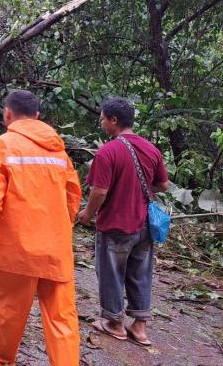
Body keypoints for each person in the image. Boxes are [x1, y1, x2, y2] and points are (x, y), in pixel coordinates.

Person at [0, 90, 82, 366]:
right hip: (56, 248)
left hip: (15, 247)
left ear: (7, 114)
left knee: (7, 309)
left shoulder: (0, 147)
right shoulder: (58, 151)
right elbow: (73, 196)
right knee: (61, 316)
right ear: (37, 116)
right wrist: (60, 228)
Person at [77, 97, 169, 347]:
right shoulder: (151, 149)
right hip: (144, 226)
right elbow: (163, 184)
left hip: (116, 225)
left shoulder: (107, 152)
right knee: (140, 274)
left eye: (103, 120)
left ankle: (114, 323)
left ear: (114, 120)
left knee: (111, 273)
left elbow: (99, 191)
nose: (102, 124)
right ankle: (139, 327)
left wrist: (87, 214)